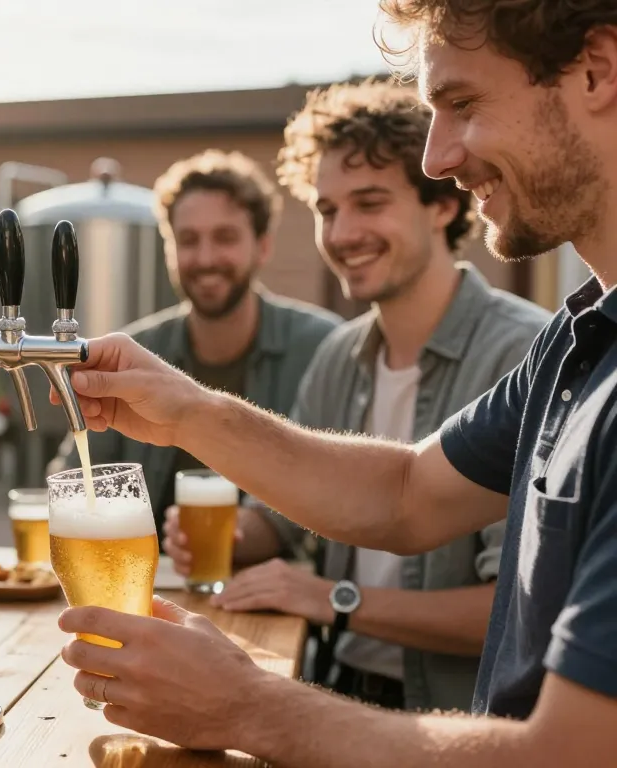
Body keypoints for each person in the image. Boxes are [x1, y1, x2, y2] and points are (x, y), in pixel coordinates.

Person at [53, 1, 617, 762]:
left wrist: (247, 707)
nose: (437, 156)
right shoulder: (577, 336)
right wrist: (186, 411)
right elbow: (406, 495)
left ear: (597, 70)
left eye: (462, 104)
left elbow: (572, 755)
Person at [162, 81, 550, 712]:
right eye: (326, 209)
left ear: (442, 206)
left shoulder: (523, 355)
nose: (342, 233)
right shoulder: (338, 359)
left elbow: (516, 611)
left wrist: (333, 599)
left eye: (369, 203)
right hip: (334, 691)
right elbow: (290, 523)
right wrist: (233, 537)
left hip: (455, 720)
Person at [50, 149, 340, 545]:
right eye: (188, 240)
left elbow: (336, 489)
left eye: (225, 238)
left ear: (263, 247)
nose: (205, 258)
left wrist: (238, 539)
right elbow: (75, 481)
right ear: (169, 249)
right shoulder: (136, 351)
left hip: (273, 595)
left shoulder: (323, 346)